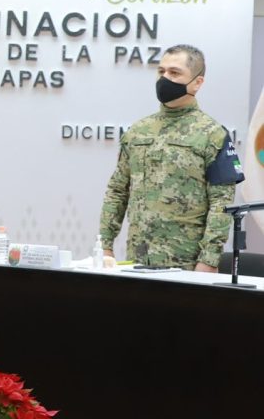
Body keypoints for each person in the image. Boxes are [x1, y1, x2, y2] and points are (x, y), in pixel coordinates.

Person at [99, 44, 243, 272]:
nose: (164, 78)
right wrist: (104, 247)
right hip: (136, 261)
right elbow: (117, 190)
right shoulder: (138, 131)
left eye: (174, 73)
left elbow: (222, 204)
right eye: (161, 71)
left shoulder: (212, 134)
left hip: (186, 265)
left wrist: (208, 261)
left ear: (197, 82)